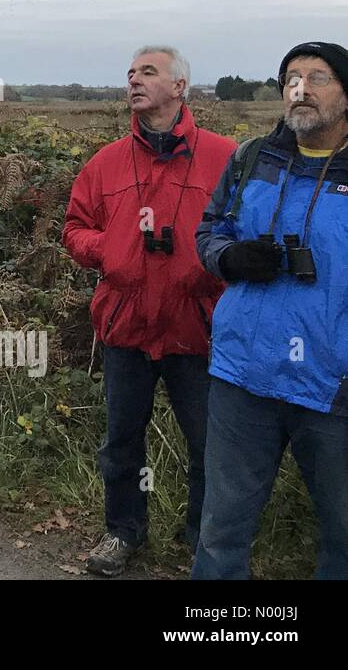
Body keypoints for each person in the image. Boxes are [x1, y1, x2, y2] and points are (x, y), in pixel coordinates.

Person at [62, 46, 236, 575]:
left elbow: (246, 233)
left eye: (148, 72)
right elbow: (74, 229)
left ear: (179, 86)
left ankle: (203, 542)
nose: (134, 80)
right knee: (121, 441)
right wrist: (111, 250)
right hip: (126, 324)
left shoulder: (226, 156)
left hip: (197, 327)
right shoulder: (106, 161)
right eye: (131, 73)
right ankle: (123, 533)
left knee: (208, 444)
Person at [193, 41, 348, 579]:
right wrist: (229, 257)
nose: (300, 89)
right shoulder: (251, 158)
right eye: (291, 79)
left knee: (344, 534)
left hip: (333, 387)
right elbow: (210, 230)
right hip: (243, 375)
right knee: (221, 528)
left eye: (318, 77)